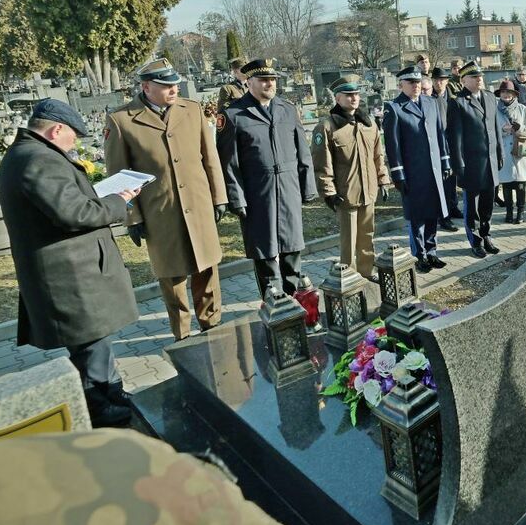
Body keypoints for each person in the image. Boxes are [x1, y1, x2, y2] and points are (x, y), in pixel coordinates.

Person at [0, 99, 142, 427]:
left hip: (72, 273)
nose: (74, 144)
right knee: (90, 346)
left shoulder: (27, 154)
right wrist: (117, 202)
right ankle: (99, 409)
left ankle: (112, 393)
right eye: (72, 137)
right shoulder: (37, 160)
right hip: (69, 278)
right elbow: (74, 213)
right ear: (56, 129)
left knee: (96, 343)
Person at [105, 58, 228, 341]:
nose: (174, 89)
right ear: (146, 86)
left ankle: (212, 326)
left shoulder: (191, 109)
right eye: (165, 85)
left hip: (197, 206)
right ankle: (182, 336)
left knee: (207, 268)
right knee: (172, 278)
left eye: (175, 84)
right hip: (160, 212)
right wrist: (132, 216)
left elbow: (210, 158)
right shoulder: (122, 120)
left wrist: (218, 197)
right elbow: (118, 174)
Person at [217, 59, 317, 300]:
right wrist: (236, 198)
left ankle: (298, 301)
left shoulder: (287, 109)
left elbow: (302, 150)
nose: (269, 84)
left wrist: (307, 186)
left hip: (288, 189)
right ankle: (274, 305)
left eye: (272, 80)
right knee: (265, 252)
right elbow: (229, 163)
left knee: (292, 248)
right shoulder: (233, 115)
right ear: (249, 81)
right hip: (257, 194)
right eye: (263, 80)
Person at [311, 75, 392, 281]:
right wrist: (329, 192)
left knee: (367, 235)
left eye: (355, 94)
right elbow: (322, 164)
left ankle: (366, 270)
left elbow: (377, 156)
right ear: (337, 98)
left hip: (368, 190)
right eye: (348, 95)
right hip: (346, 193)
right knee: (349, 240)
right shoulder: (327, 127)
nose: (353, 98)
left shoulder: (369, 124)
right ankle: (348, 277)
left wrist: (383, 180)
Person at [384, 66, 452, 272]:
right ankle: (419, 254)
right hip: (413, 173)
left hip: (433, 170)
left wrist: (446, 161)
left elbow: (440, 135)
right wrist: (398, 174)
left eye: (418, 82)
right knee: (417, 216)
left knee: (434, 211)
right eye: (411, 83)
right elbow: (392, 145)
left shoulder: (431, 103)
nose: (416, 86)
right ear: (401, 85)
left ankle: (432, 252)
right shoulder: (395, 108)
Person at [448, 61, 506, 258]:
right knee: (472, 206)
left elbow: (496, 128)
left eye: (480, 76)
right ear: (463, 80)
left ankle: (486, 234)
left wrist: (500, 153)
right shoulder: (457, 102)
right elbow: (454, 138)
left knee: (488, 203)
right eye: (474, 76)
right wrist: (459, 164)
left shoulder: (490, 97)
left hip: (490, 162)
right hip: (471, 164)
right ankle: (475, 241)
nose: (479, 79)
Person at [495, 79, 526, 223]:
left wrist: (519, 129)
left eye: (509, 92)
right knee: (506, 184)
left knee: (520, 184)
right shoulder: (495, 110)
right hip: (504, 150)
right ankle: (509, 212)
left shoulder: (523, 109)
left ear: (514, 94)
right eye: (503, 92)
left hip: (520, 149)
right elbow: (491, 129)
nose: (506, 95)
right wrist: (502, 130)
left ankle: (520, 213)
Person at [429, 67, 461, 231]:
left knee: (452, 179)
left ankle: (453, 207)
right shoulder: (430, 99)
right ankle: (444, 216)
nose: (438, 83)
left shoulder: (453, 97)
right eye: (435, 80)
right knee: (443, 182)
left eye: (441, 80)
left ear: (447, 81)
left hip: (453, 144)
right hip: (438, 146)